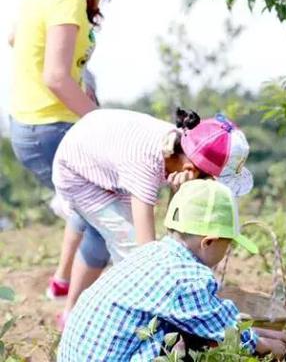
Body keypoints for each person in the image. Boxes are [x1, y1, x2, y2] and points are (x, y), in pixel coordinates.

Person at [8, 0, 131, 300]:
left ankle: (63, 281)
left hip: (32, 121)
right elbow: (57, 78)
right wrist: (100, 122)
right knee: (107, 219)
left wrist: (81, 77)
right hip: (48, 129)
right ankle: (74, 315)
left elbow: (15, 38)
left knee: (88, 202)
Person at [52, 108, 253, 329]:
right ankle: (140, 325)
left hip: (103, 151)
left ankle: (70, 314)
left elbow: (178, 227)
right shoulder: (144, 166)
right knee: (131, 249)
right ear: (189, 169)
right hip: (78, 172)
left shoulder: (183, 146)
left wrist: (181, 191)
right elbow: (147, 250)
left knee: (103, 239)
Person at [57, 179, 286, 361]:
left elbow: (220, 320)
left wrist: (267, 333)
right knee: (181, 341)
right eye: (228, 243)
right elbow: (227, 332)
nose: (227, 251)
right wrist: (269, 346)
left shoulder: (153, 253)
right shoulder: (189, 278)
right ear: (209, 242)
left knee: (186, 329)